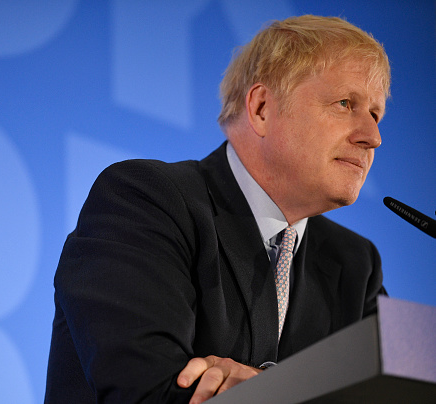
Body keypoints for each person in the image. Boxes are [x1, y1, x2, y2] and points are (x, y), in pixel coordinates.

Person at [45, 15, 389, 404]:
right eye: (345, 104)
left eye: (375, 113)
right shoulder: (145, 200)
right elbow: (147, 391)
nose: (372, 137)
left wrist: (262, 387)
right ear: (261, 108)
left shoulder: (356, 265)